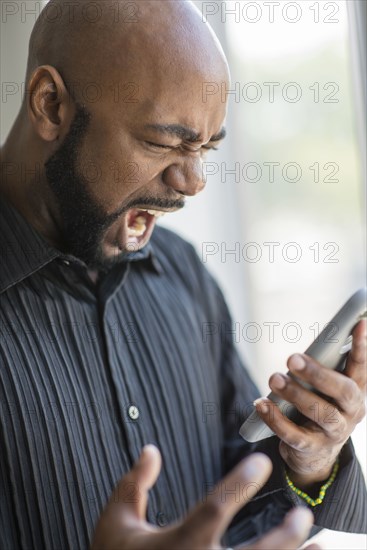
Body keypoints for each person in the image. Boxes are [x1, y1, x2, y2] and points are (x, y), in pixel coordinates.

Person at [0, 1, 366, 549]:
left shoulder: (183, 275)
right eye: (164, 141)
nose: (194, 182)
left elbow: (238, 496)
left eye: (206, 148)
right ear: (50, 105)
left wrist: (308, 460)